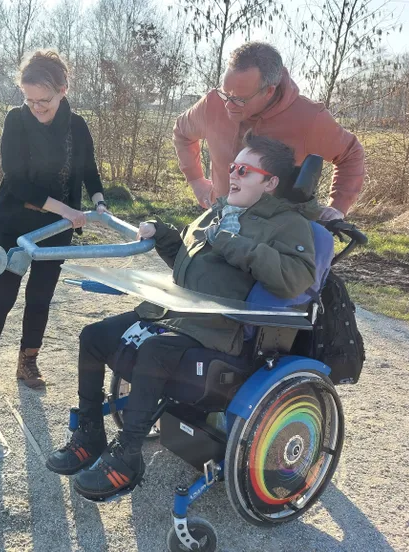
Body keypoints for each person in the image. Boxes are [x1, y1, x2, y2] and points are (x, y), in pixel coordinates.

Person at [46, 132, 322, 501]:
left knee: (155, 352)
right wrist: (165, 237)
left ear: (270, 183)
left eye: (244, 169)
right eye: (231, 167)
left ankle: (128, 457)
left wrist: (230, 242)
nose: (233, 174)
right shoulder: (222, 210)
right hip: (178, 315)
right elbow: (189, 267)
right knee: (94, 336)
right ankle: (91, 432)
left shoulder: (289, 224)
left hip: (220, 330)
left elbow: (294, 279)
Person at [0, 50, 107, 390]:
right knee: (2, 294)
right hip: (15, 223)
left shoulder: (76, 125)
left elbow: (88, 168)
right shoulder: (17, 121)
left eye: (43, 100)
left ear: (63, 90)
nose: (36, 107)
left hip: (57, 228)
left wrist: (99, 202)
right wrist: (66, 211)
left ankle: (28, 363)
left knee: (40, 295)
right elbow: (16, 179)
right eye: (29, 100)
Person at [174, 42, 364, 221]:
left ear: (269, 91)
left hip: (275, 236)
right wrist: (196, 180)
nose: (228, 105)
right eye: (225, 93)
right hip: (220, 221)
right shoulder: (213, 104)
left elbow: (351, 153)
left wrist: (338, 206)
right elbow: (182, 132)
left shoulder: (309, 118)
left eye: (240, 99)